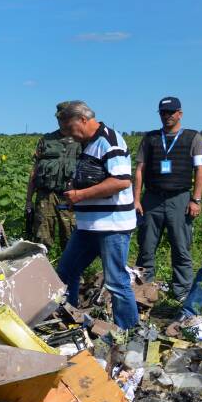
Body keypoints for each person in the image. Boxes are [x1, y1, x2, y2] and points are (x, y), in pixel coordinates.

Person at [55, 101, 139, 330]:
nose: (70, 135)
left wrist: (81, 195)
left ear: (83, 119)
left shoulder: (109, 141)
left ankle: (129, 334)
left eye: (71, 128)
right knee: (66, 272)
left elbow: (121, 181)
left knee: (116, 282)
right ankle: (68, 320)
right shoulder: (88, 144)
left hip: (112, 225)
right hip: (89, 226)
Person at [134, 96, 202, 299]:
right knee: (146, 247)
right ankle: (143, 291)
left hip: (180, 199)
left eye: (171, 112)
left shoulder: (193, 137)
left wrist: (196, 199)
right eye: (163, 113)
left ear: (180, 114)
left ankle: (182, 293)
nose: (167, 116)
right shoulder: (150, 138)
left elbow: (200, 170)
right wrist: (136, 199)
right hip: (152, 199)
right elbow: (139, 169)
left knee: (181, 247)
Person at [25, 102, 80, 251]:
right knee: (41, 240)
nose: (62, 121)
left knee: (71, 239)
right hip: (45, 196)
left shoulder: (81, 141)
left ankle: (70, 273)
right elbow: (34, 171)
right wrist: (29, 200)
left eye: (66, 118)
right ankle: (41, 272)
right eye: (60, 118)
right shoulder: (46, 140)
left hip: (69, 197)